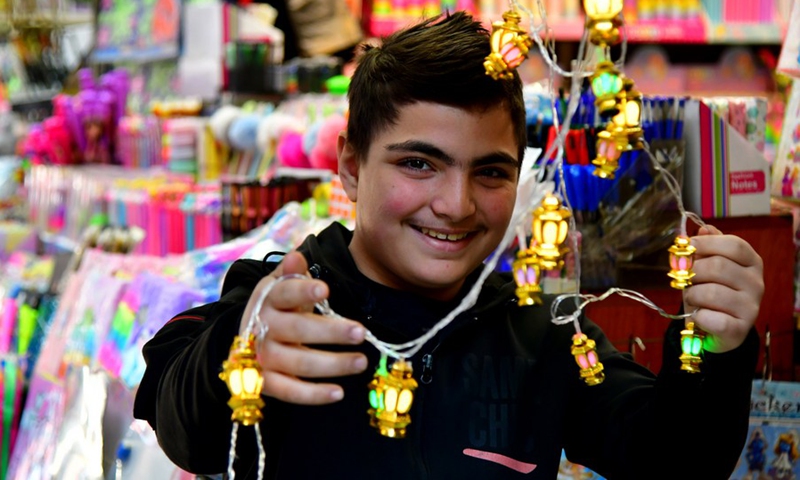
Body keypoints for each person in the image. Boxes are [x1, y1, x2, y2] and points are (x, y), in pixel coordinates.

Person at [133, 12, 764, 479]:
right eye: (419, 163)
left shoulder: (542, 336)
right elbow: (184, 424)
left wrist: (714, 341)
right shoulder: (282, 307)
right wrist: (239, 351)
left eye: (489, 172)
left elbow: (673, 460)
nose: (456, 204)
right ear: (350, 167)